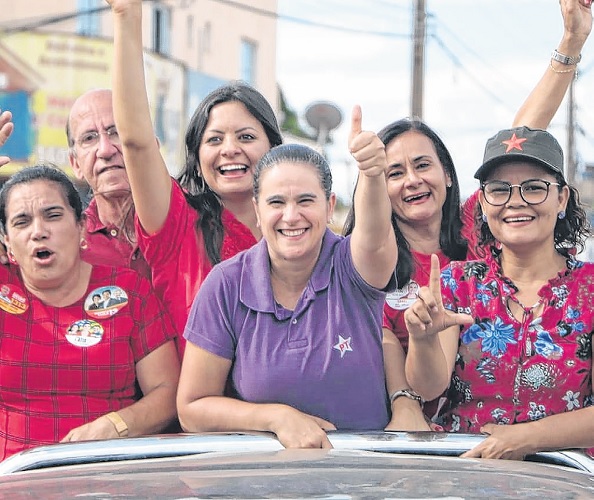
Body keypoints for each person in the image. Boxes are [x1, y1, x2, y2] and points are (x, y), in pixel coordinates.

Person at [343, 0, 593, 431]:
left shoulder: (481, 223)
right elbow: (423, 375)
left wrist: (570, 43)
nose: (412, 181)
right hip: (407, 442)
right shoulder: (373, 261)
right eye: (393, 172)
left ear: (446, 170)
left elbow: (521, 147)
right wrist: (406, 392)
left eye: (423, 165)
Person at [177, 107, 397, 449]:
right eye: (276, 202)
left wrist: (371, 173)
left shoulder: (353, 267)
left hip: (361, 479)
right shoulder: (226, 284)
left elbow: (375, 232)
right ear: (257, 208)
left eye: (306, 200)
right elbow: (192, 409)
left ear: (329, 205)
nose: (291, 216)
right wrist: (276, 417)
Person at [404, 126, 594, 460]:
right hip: (465, 477)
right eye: (499, 189)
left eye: (534, 188)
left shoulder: (589, 290)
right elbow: (428, 387)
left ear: (561, 198)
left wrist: (525, 438)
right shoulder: (458, 282)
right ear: (484, 201)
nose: (515, 201)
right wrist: (422, 338)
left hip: (562, 480)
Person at [107, 0, 283, 341]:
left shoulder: (297, 229)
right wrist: (127, 17)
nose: (230, 149)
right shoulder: (177, 225)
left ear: (274, 149)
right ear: (197, 156)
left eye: (246, 136)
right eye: (214, 139)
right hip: (192, 396)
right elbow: (136, 142)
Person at [0, 164, 180, 461]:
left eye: (53, 216)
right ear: (7, 242)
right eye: (21, 222)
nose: (38, 232)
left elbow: (167, 391)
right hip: (11, 480)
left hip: (104, 475)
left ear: (81, 227)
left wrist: (116, 426)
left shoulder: (129, 291)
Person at [67, 88, 150, 279]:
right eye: (89, 138)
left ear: (151, 145)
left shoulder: (193, 221)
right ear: (75, 163)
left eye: (116, 132)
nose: (105, 150)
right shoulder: (67, 244)